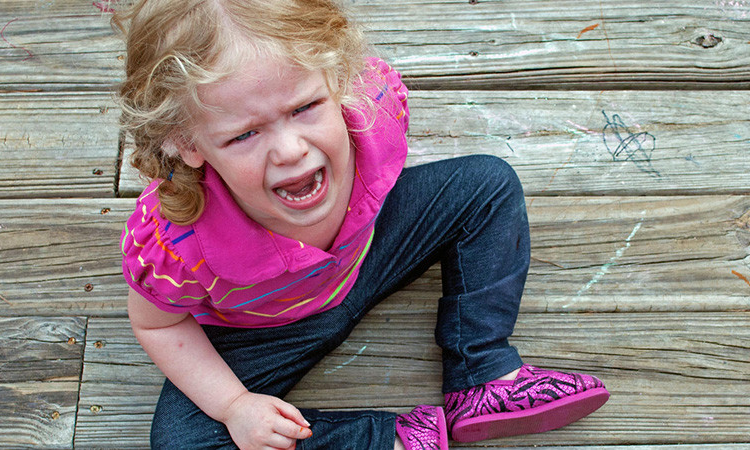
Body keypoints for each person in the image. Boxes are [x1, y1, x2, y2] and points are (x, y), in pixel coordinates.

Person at [114, 0, 610, 448]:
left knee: (487, 184)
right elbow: (156, 323)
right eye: (245, 134)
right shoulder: (175, 243)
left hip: (368, 251)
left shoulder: (372, 112)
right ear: (187, 144)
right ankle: (391, 440)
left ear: (337, 78)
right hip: (261, 328)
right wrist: (233, 406)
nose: (291, 150)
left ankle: (481, 372)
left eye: (305, 107)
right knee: (183, 441)